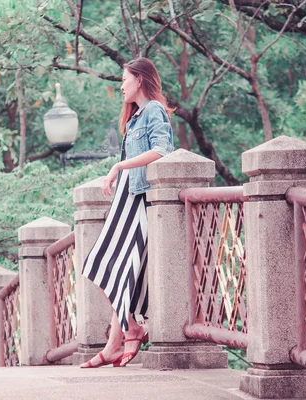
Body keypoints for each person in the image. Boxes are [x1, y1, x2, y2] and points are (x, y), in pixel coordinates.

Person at [80, 57, 175, 368]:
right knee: (106, 265)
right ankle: (121, 336)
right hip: (127, 198)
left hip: (140, 200)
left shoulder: (154, 111)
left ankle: (125, 335)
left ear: (140, 80)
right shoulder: (135, 116)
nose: (121, 85)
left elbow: (163, 150)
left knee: (108, 264)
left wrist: (118, 166)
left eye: (125, 79)